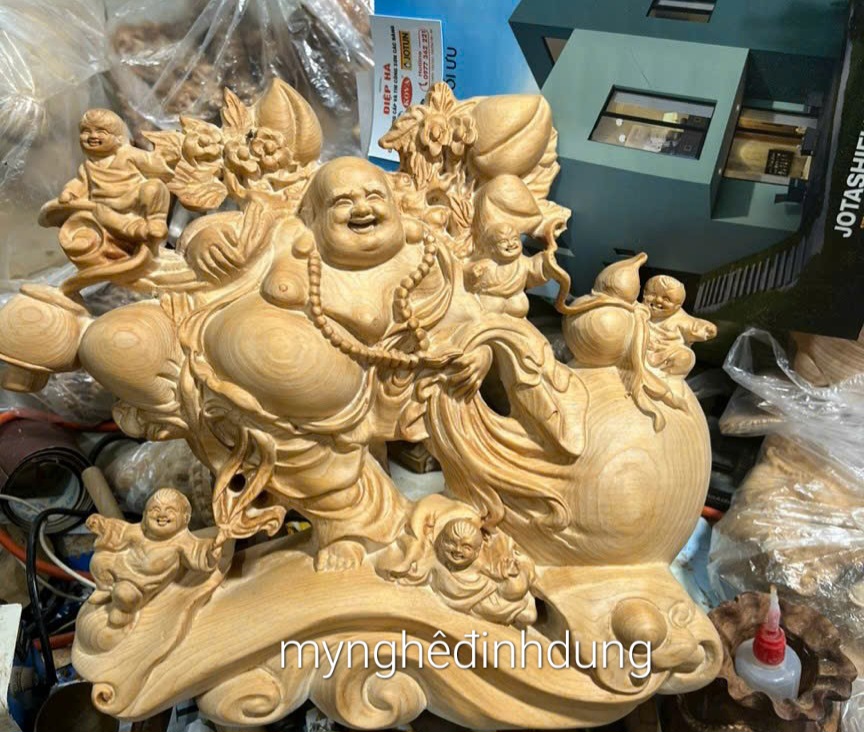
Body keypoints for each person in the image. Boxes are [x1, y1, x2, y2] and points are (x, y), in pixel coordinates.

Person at [87, 488, 220, 627]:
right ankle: (105, 588)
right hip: (121, 565)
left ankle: (124, 610)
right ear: (145, 514)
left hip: (139, 584)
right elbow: (118, 531)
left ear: (185, 518)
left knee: (124, 594)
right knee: (99, 560)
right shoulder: (138, 531)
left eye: (170, 510)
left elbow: (197, 552)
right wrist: (101, 525)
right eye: (155, 509)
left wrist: (211, 552)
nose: (162, 514)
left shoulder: (181, 542)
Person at [643, 275, 717, 376]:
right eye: (653, 294)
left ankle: (666, 377)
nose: (658, 300)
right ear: (644, 293)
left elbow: (694, 325)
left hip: (666, 354)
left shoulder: (679, 318)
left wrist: (706, 329)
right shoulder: (639, 310)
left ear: (678, 306)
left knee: (685, 357)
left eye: (666, 299)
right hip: (639, 349)